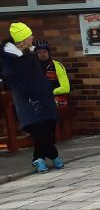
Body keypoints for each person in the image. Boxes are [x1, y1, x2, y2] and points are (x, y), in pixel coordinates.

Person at [0, 22, 62, 172]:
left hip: (43, 96)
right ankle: (49, 156)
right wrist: (27, 92)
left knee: (48, 126)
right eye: (29, 36)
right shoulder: (10, 59)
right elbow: (11, 80)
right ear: (23, 39)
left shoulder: (31, 55)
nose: (32, 37)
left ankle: (40, 157)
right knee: (38, 129)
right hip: (28, 99)